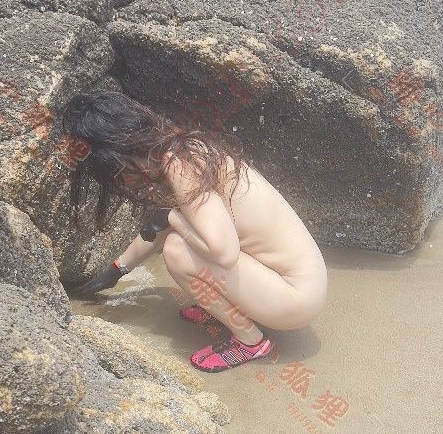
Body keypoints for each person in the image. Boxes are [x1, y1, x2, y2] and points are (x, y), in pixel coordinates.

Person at [62, 89, 328, 373]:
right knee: (182, 234)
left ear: (118, 157)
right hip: (294, 286)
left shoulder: (180, 166)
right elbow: (160, 227)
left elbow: (223, 253)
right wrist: (116, 270)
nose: (120, 182)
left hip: (293, 299)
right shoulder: (179, 148)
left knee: (178, 250)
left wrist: (172, 218)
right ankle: (231, 310)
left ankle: (250, 341)